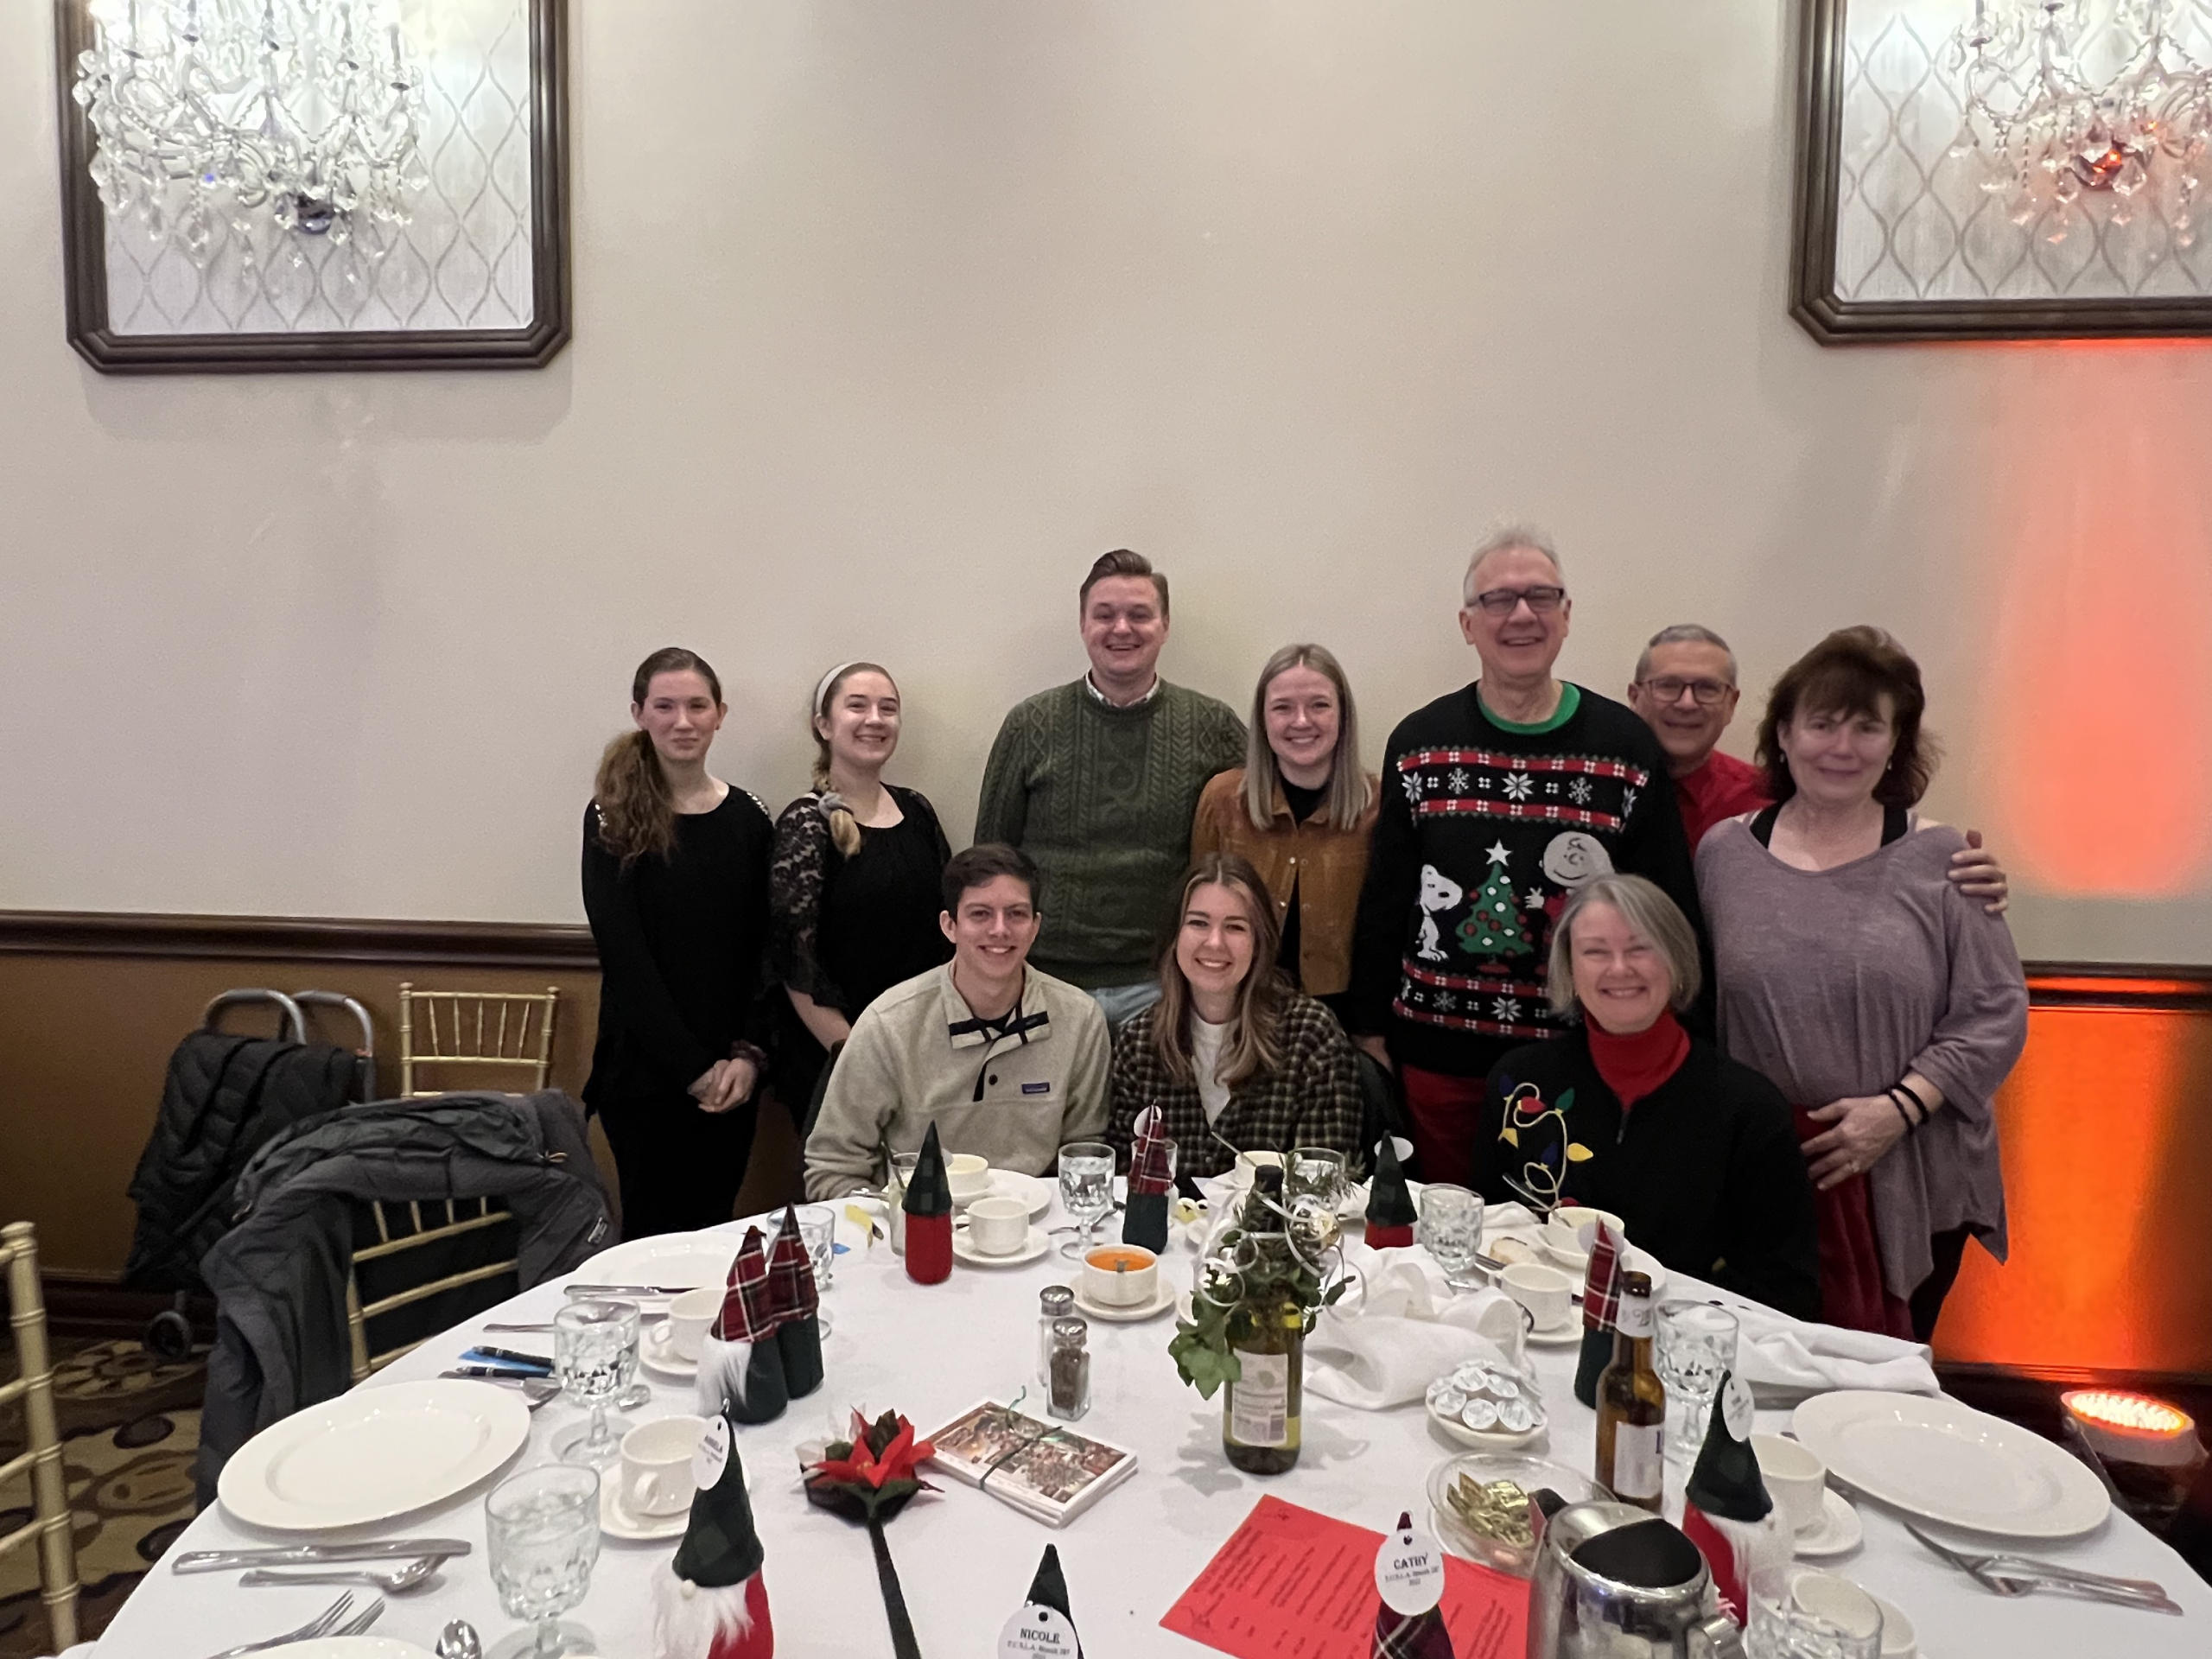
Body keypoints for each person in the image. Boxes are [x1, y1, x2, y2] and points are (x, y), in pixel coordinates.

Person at [1698, 626, 2028, 1340]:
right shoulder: (1722, 855)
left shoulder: (1944, 858)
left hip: (1911, 1165)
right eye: (1822, 723)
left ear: (1895, 742)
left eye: (1867, 727)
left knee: (1882, 1378)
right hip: (1771, 1171)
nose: (1842, 747)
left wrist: (1897, 1111)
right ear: (1783, 734)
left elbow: (1995, 1012)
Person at [1349, 525, 1704, 1185]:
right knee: (1447, 1229)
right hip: (1437, 1057)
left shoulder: (1624, 748)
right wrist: (1368, 1030)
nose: (1521, 615)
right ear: (1467, 624)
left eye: (1540, 597)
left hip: (1580, 1061)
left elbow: (1666, 908)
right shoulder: (1421, 744)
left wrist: (1687, 1042)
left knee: (1562, 1233)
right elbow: (1387, 898)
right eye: (1498, 599)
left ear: (1565, 616)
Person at [1470, 874, 1819, 1319]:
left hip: (1680, 1341)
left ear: (1676, 959)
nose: (1619, 969)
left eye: (1640, 949)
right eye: (1595, 951)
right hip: (1533, 1328)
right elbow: (1488, 1237)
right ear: (1569, 969)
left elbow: (1785, 1290)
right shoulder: (1519, 1084)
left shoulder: (1750, 1111)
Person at [976, 549, 1247, 1024]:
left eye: (1139, 615)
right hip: (1045, 979)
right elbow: (989, 860)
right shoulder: (1029, 724)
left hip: (1167, 981)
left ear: (1165, 626)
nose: (1122, 629)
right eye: (1105, 615)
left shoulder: (1214, 726)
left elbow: (1254, 843)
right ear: (1083, 625)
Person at [582, 647, 775, 1239]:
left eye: (697, 706)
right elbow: (625, 957)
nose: (683, 721)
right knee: (652, 1239)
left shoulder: (750, 818)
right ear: (639, 713)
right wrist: (691, 1069)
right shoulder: (611, 816)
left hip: (732, 1078)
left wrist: (747, 1057)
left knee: (714, 1233)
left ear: (720, 714)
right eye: (665, 706)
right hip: (644, 1074)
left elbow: (766, 949)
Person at [1627, 623, 2013, 911]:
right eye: (1668, 685)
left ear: (1732, 704)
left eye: (1708, 689)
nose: (1687, 703)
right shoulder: (1600, 786)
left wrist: (1961, 885)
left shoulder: (1766, 802)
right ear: (1634, 695)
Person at [803, 843, 1111, 1199]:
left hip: (1036, 1220)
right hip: (918, 1218)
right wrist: (893, 1221)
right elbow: (832, 1167)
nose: (1000, 930)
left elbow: (1084, 1154)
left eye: (1016, 914)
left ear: (1035, 927)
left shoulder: (1080, 1019)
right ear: (950, 926)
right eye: (980, 914)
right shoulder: (889, 1024)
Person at [1106, 853, 1363, 1179]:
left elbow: (1322, 1184)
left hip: (1275, 1215)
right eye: (1198, 923)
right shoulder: (1139, 1041)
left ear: (1259, 942)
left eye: (1235, 927)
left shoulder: (1311, 1035)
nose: (1215, 942)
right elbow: (1123, 1179)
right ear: (1174, 937)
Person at [770, 662, 953, 1115]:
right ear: (824, 725)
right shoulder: (805, 824)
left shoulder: (918, 811)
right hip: (838, 1060)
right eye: (857, 706)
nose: (875, 719)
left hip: (922, 1052)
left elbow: (948, 930)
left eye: (887, 708)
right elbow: (796, 964)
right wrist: (862, 1059)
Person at [1189, 644, 1379, 1021]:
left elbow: (1387, 931)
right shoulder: (1222, 799)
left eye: (1319, 705)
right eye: (1283, 707)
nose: (1301, 721)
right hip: (1239, 1007)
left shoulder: (1379, 806)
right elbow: (1197, 915)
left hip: (1345, 1013)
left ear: (1343, 715)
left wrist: (1370, 1029)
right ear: (1262, 720)